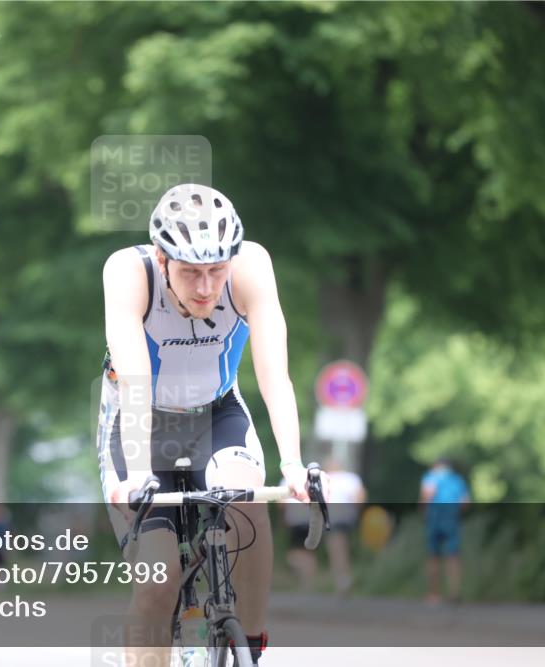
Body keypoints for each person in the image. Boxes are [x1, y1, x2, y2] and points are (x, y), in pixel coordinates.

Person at [98, 183, 328, 665]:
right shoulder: (128, 272)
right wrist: (138, 472)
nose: (206, 288)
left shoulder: (252, 267)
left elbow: (274, 376)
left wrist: (291, 462)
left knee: (248, 500)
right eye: (190, 273)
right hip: (142, 423)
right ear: (162, 260)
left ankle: (252, 643)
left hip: (217, 412)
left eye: (215, 271)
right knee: (158, 580)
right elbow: (136, 382)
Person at [419, 457, 470, 605]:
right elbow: (465, 502)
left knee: (433, 555)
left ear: (436, 466)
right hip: (452, 515)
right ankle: (454, 592)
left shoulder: (431, 477)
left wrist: (423, 511)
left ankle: (433, 593)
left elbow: (427, 495)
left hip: (435, 515)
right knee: (453, 555)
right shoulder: (457, 480)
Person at [322, 457, 365, 596]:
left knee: (336, 549)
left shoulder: (325, 478)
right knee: (343, 546)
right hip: (348, 517)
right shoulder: (351, 478)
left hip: (333, 517)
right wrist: (356, 512)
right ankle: (343, 579)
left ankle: (342, 581)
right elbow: (360, 497)